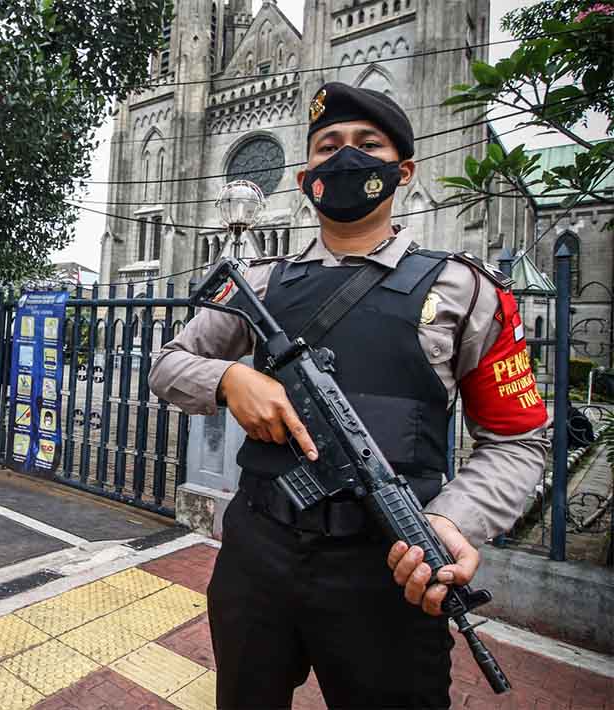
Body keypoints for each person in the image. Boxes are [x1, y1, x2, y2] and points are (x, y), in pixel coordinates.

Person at [149, 82, 550, 709]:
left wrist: (451, 522)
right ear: (307, 175)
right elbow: (166, 364)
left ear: (403, 170)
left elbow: (518, 441)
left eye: (368, 144)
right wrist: (229, 380)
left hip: (390, 567)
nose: (345, 159)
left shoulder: (466, 290)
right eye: (328, 147)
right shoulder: (260, 282)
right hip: (258, 550)